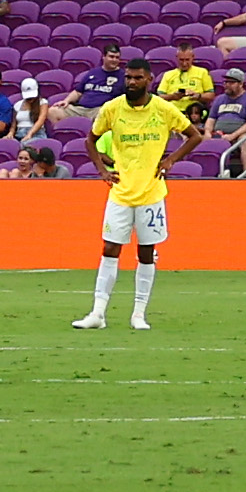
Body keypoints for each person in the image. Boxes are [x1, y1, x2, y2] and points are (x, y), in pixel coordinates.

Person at [71, 60, 187, 334]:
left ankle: (138, 313)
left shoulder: (163, 109)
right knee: (110, 249)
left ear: (149, 79)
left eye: (137, 78)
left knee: (145, 253)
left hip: (151, 193)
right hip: (121, 192)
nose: (132, 82)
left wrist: (170, 160)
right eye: (128, 77)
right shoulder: (113, 108)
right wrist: (101, 169)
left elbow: (193, 135)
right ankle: (98, 312)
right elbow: (90, 139)